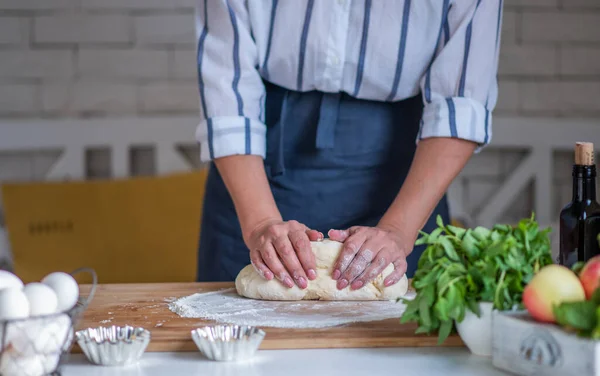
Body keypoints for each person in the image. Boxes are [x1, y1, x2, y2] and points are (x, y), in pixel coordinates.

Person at [194, 0, 503, 291]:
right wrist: (261, 222)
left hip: (406, 176)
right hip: (255, 169)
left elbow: (460, 102)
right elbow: (227, 86)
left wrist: (398, 230)